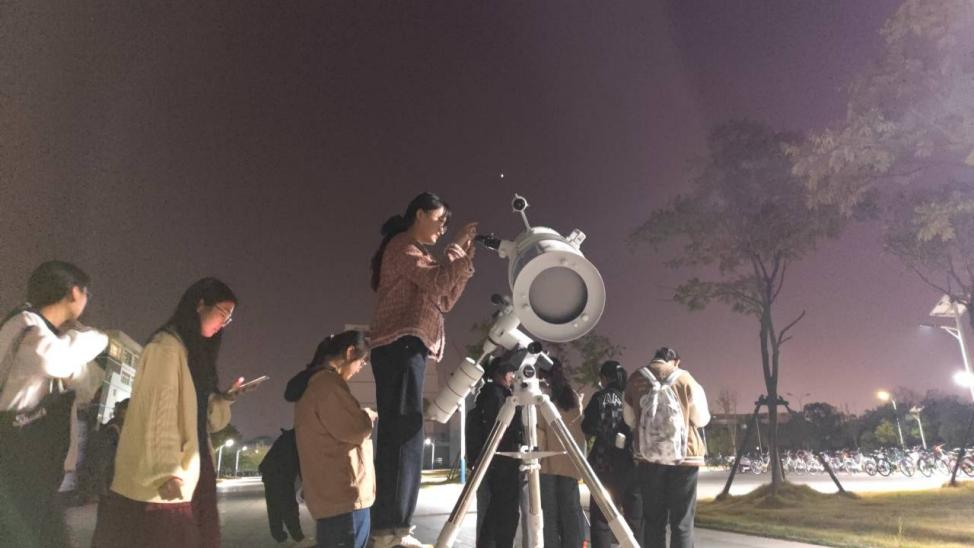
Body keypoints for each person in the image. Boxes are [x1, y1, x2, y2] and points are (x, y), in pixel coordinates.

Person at [92, 278, 246, 548]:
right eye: (223, 312)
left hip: (194, 466)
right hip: (169, 473)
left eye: (229, 318)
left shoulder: (193, 354)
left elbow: (204, 420)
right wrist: (165, 470)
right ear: (200, 304)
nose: (224, 322)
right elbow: (158, 411)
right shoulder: (166, 347)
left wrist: (226, 399)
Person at [368, 192, 477, 548]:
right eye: (440, 219)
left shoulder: (421, 255)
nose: (443, 228)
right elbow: (439, 282)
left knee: (405, 433)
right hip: (398, 345)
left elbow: (445, 298)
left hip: (406, 348)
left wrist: (463, 260)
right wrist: (455, 252)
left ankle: (393, 527)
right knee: (404, 434)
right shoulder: (403, 247)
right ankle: (390, 530)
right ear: (420, 214)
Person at [0, 260, 108, 548]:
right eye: (86, 293)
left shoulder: (47, 335)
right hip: (16, 462)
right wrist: (97, 337)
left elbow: (86, 386)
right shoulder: (25, 325)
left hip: (35, 464)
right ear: (74, 292)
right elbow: (57, 360)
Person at [294, 330, 376, 548]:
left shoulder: (313, 386)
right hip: (344, 499)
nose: (359, 369)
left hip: (329, 498)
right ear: (350, 352)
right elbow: (355, 428)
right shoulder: (329, 386)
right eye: (362, 362)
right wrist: (366, 416)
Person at [623, 347, 710, 548]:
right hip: (685, 458)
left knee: (653, 520)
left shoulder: (635, 379)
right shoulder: (685, 379)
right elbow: (701, 419)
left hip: (649, 457)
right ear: (676, 361)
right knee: (682, 522)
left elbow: (629, 420)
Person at [582, 360, 642, 547]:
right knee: (634, 517)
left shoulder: (599, 398)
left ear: (604, 378)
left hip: (604, 465)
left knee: (602, 517)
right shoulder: (630, 397)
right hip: (630, 464)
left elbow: (587, 426)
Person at [470, 355, 522, 548]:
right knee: (503, 513)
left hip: (492, 463)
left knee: (493, 511)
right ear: (502, 373)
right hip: (502, 463)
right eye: (511, 372)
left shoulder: (486, 394)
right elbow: (501, 428)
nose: (513, 376)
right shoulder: (498, 395)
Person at [536, 361, 586, 548]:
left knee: (549, 515)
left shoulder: (543, 397)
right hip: (570, 462)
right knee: (570, 512)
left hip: (548, 463)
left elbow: (539, 433)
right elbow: (580, 430)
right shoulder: (572, 396)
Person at [259, 428, 306, 545]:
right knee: (289, 505)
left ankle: (279, 536)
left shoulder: (289, 436)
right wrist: (305, 482)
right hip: (280, 474)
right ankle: (297, 536)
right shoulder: (299, 437)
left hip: (270, 471)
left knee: (274, 506)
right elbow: (302, 462)